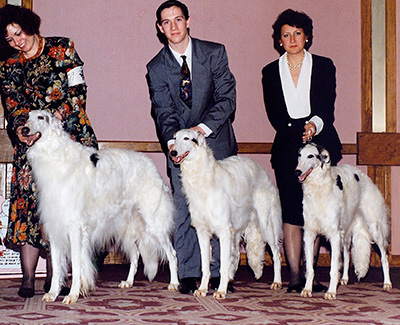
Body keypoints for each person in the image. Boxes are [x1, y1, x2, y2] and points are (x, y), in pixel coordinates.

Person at [0, 5, 98, 298]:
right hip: (32, 147)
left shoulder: (62, 48)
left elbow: (78, 91)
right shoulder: (8, 66)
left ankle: (61, 275)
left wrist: (51, 123)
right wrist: (22, 129)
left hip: (71, 141)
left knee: (71, 210)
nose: (18, 42)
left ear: (30, 25)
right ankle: (28, 278)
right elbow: (14, 107)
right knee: (31, 206)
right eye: (9, 40)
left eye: (19, 33)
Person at [146, 0, 237, 294]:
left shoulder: (214, 53)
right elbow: (163, 111)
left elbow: (226, 98)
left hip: (215, 142)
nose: (173, 26)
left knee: (219, 210)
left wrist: (201, 130)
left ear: (188, 21)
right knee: (185, 208)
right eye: (166, 22)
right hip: (180, 148)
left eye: (178, 19)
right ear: (160, 29)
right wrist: (178, 143)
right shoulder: (156, 67)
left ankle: (220, 274)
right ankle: (187, 272)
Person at [261, 9, 342, 293]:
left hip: (321, 145)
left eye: (297, 33)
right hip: (287, 147)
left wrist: (313, 126)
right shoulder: (270, 72)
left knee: (317, 211)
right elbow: (274, 113)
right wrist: (298, 131)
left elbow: (326, 107)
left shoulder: (324, 65)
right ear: (279, 40)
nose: (292, 39)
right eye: (286, 34)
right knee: (293, 210)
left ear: (307, 37)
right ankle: (294, 274)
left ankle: (312, 275)